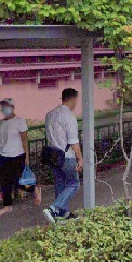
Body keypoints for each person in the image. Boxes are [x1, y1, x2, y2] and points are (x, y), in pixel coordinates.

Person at [43, 88, 82, 223]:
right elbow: (73, 142)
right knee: (73, 184)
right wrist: (80, 159)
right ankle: (54, 208)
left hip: (53, 155)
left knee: (60, 184)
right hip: (67, 156)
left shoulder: (49, 114)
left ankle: (62, 214)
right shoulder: (69, 116)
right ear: (73, 99)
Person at [0, 98, 40, 214]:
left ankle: (34, 189)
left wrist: (26, 157)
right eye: (2, 106)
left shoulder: (20, 121)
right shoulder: (1, 122)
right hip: (2, 155)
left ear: (12, 107)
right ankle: (7, 205)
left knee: (17, 181)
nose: (3, 109)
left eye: (6, 106)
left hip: (17, 155)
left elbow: (24, 140)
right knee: (4, 181)